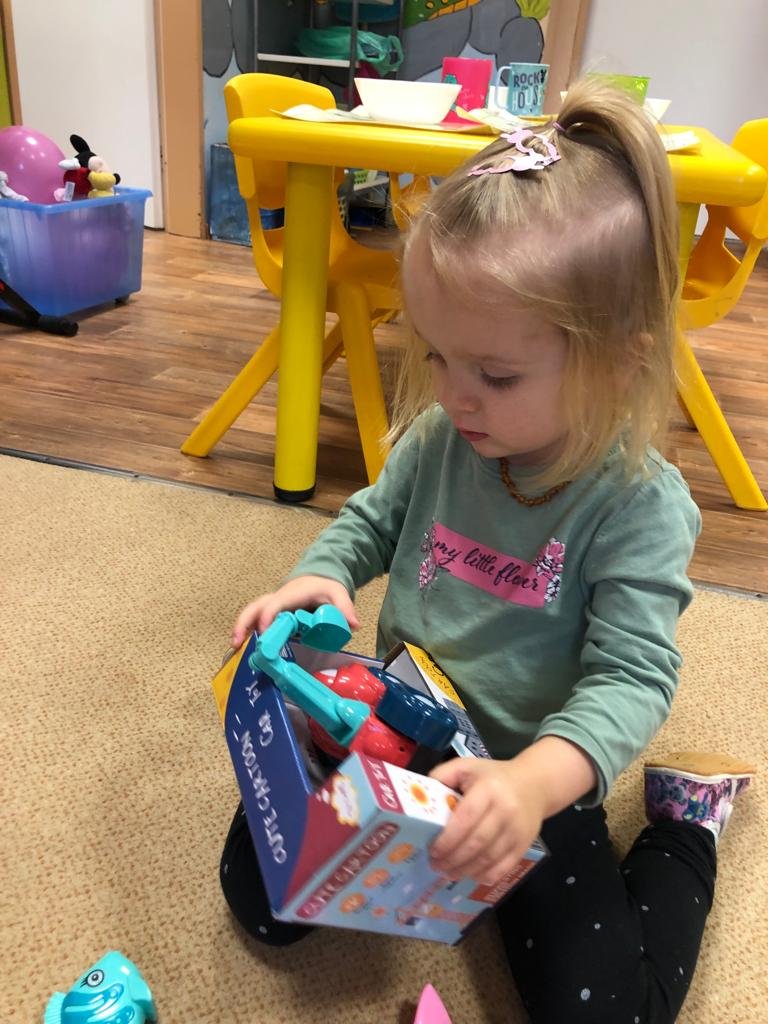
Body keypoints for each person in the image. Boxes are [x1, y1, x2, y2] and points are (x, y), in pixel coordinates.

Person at [219, 79, 755, 1023]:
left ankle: (686, 826)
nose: (453, 395)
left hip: (529, 776)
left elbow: (633, 677)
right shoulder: (446, 436)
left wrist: (532, 782)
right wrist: (322, 574)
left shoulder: (637, 505)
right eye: (436, 354)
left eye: (496, 374)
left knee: (606, 1013)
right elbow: (373, 520)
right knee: (262, 900)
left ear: (620, 361)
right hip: (399, 728)